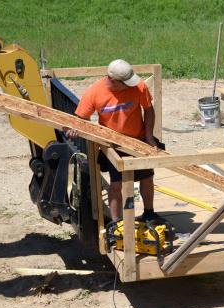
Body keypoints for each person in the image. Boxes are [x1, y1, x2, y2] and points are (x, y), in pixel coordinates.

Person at [65, 59, 159, 222]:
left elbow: (149, 110)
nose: (131, 85)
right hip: (113, 144)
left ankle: (149, 213)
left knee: (147, 178)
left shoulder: (138, 87)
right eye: (126, 82)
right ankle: (116, 223)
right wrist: (72, 129)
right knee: (116, 185)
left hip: (138, 140)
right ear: (113, 80)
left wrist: (149, 137)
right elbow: (79, 119)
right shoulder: (94, 92)